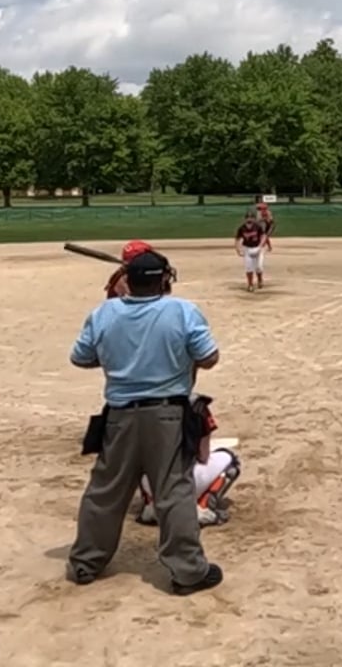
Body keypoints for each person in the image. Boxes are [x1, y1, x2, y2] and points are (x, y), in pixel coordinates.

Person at [66, 248, 224, 596]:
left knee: (105, 491)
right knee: (174, 492)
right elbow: (209, 357)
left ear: (128, 281)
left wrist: (119, 358)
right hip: (168, 416)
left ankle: (85, 562)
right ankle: (187, 571)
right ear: (164, 280)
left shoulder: (105, 313)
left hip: (119, 416)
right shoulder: (182, 311)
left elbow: (81, 357)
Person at [136, 393, 240, 528]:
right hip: (188, 482)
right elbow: (203, 456)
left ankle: (151, 505)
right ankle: (203, 507)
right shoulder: (197, 405)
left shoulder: (141, 401)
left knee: (139, 460)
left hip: (153, 483)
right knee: (231, 459)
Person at [235, 210, 269, 291]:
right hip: (247, 249)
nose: (249, 219)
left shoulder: (258, 227)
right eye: (247, 217)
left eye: (251, 217)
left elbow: (264, 236)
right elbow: (237, 239)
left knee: (259, 267)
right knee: (249, 267)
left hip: (258, 248)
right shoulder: (241, 228)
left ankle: (260, 280)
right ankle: (250, 284)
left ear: (254, 219)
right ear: (245, 219)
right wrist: (238, 249)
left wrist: (261, 245)